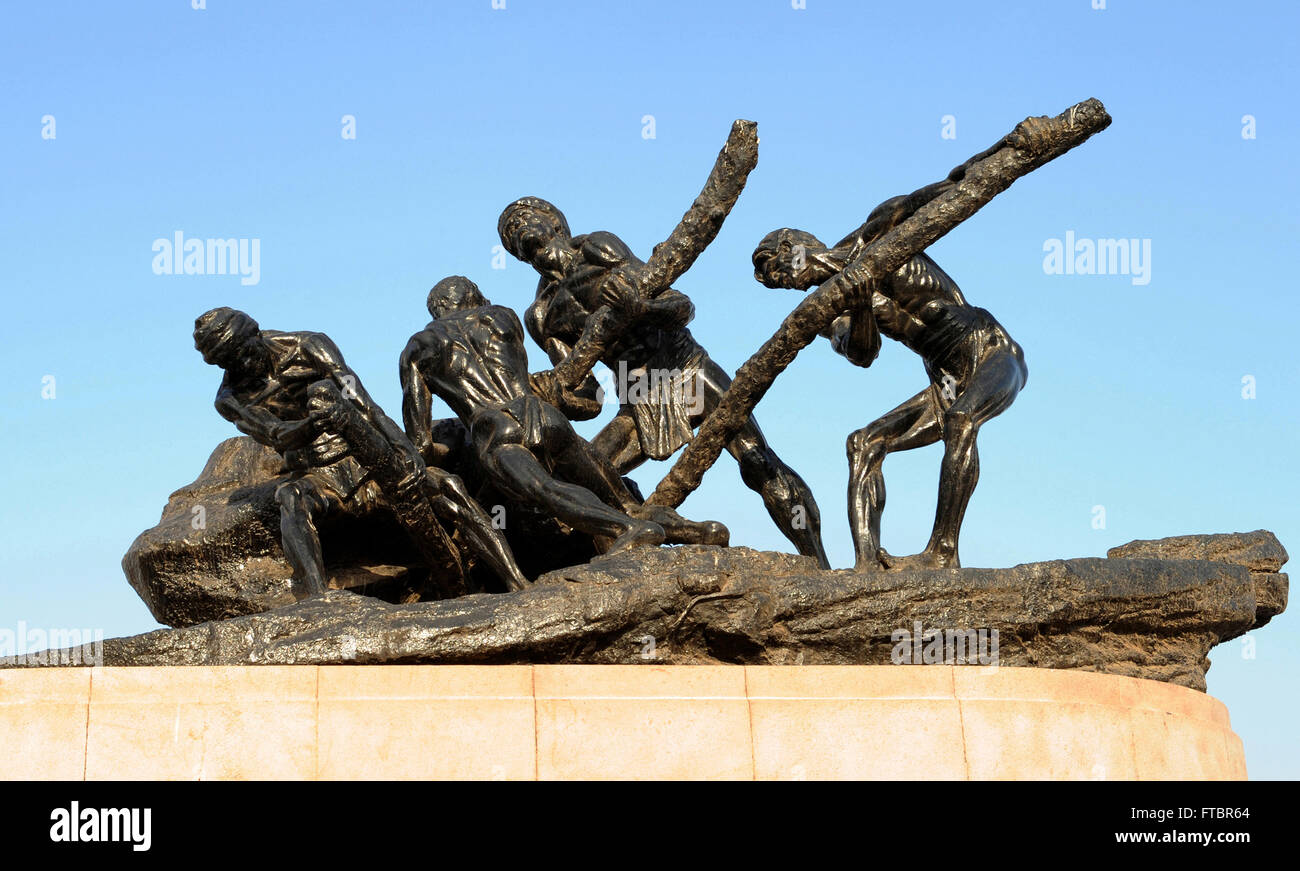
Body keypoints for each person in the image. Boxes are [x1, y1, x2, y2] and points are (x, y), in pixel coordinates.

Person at [497, 197, 830, 568]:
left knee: (757, 461)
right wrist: (554, 392)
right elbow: (590, 397)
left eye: (525, 218)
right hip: (638, 397)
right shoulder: (542, 315)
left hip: (685, 368)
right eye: (509, 232)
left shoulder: (598, 248)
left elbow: (680, 306)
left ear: (556, 223)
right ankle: (649, 549)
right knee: (587, 475)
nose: (518, 229)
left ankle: (820, 566)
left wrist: (641, 309)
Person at [194, 306, 528, 597]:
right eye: (230, 362)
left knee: (448, 487)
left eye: (244, 353)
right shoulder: (229, 398)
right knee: (290, 498)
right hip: (317, 474)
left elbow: (362, 401)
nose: (243, 365)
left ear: (254, 333)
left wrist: (403, 448)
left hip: (366, 457)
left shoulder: (308, 345)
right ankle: (317, 599)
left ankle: (517, 582)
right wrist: (315, 422)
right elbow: (278, 435)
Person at [399, 276, 729, 554]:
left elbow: (420, 444)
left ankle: (627, 529)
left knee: (546, 491)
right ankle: (697, 531)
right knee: (619, 496)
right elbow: (519, 377)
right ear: (475, 297)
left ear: (436, 309)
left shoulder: (417, 349)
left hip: (495, 430)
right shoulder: (502, 316)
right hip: (541, 414)